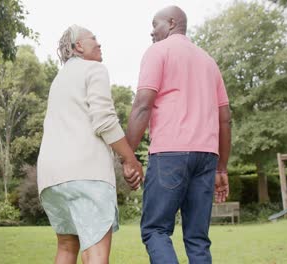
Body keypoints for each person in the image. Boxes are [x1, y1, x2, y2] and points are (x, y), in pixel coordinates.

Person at [124, 6, 232, 264]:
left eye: (155, 24)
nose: (152, 31)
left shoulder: (158, 51)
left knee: (156, 230)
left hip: (171, 153)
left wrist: (127, 156)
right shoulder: (208, 61)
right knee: (197, 238)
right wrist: (222, 169)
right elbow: (225, 118)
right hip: (207, 157)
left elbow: (142, 105)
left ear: (171, 23)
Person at [37, 25, 144, 264]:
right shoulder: (94, 69)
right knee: (95, 253)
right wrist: (130, 159)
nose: (99, 43)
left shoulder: (59, 80)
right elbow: (104, 120)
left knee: (66, 247)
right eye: (93, 38)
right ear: (78, 46)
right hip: (85, 175)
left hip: (51, 179)